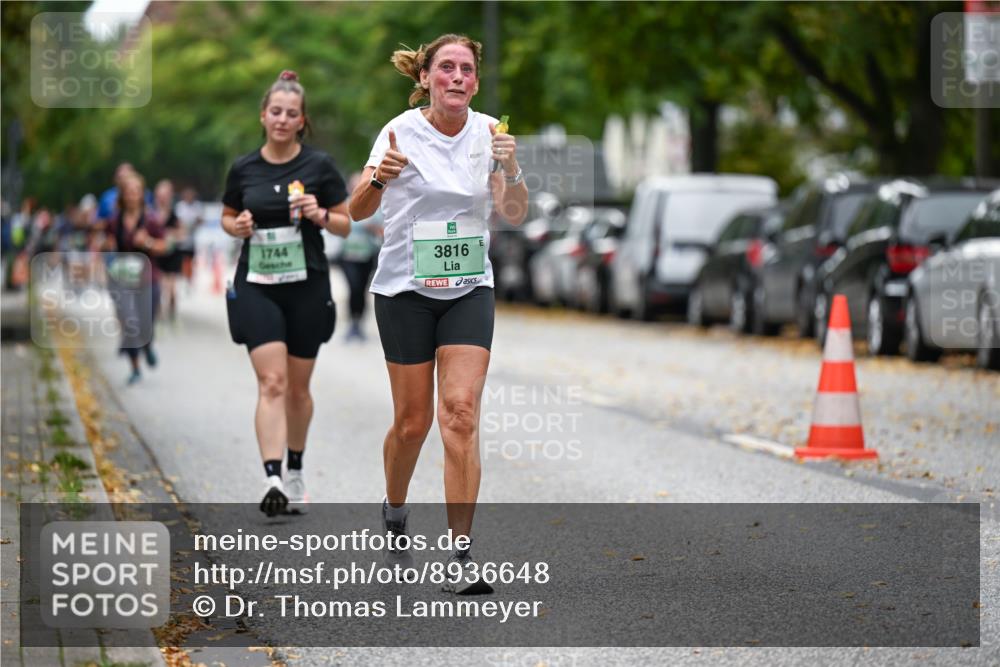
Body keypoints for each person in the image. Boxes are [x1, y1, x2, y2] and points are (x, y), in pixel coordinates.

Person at [349, 34, 528, 594]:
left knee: (460, 414)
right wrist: (380, 176)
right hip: (405, 290)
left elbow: (515, 214)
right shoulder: (397, 132)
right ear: (424, 77)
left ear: (475, 81)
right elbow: (356, 212)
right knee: (412, 424)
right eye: (445, 68)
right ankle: (395, 509)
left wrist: (514, 168)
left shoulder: (491, 133)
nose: (457, 77)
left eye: (467, 70)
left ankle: (460, 555)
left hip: (469, 288)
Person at [221, 70, 350, 517]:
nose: (281, 119)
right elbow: (227, 215)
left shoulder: (319, 167)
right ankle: (272, 476)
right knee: (271, 382)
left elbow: (345, 222)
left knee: (297, 388)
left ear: (301, 121)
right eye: (275, 111)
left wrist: (319, 213)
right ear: (263, 116)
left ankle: (295, 469)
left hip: (307, 285)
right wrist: (235, 226)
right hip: (257, 284)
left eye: (290, 114)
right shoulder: (244, 168)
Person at [104, 173, 168, 385]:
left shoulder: (151, 220)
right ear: (123, 195)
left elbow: (163, 246)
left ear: (142, 194)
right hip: (123, 279)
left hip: (148, 278)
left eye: (136, 191)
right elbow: (106, 242)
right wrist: (108, 246)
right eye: (128, 192)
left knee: (145, 322)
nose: (132, 196)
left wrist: (147, 242)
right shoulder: (114, 220)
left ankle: (147, 344)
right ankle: (135, 368)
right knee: (130, 322)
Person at [340, 172, 383, 341]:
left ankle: (359, 324)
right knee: (353, 287)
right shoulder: (343, 205)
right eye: (354, 184)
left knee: (362, 289)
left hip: (367, 255)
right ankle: (352, 323)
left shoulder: (375, 205)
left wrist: (372, 228)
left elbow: (381, 228)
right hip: (347, 256)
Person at [153, 179, 183, 321]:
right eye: (160, 195)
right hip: (157, 252)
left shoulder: (175, 212)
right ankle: (157, 313)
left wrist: (171, 234)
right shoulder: (151, 212)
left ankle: (171, 311)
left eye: (165, 195)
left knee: (170, 286)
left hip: (171, 253)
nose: (162, 198)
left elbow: (181, 233)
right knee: (158, 283)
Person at [173, 186, 203, 286]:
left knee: (191, 259)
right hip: (182, 238)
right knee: (183, 258)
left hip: (192, 238)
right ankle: (184, 276)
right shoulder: (180, 206)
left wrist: (196, 221)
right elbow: (177, 222)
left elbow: (201, 220)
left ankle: (189, 277)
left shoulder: (197, 206)